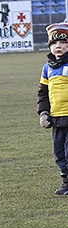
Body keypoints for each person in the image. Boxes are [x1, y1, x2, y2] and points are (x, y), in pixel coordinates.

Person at [37, 22, 68, 195]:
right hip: (56, 118)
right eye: (55, 43)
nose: (58, 46)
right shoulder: (47, 68)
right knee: (59, 152)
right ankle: (66, 182)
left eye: (63, 43)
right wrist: (43, 113)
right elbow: (42, 93)